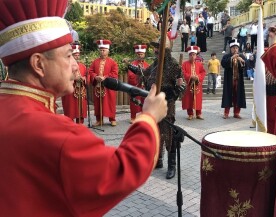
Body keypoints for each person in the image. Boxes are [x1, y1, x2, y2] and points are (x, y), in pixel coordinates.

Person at [0, 0, 167, 215]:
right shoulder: (55, 132)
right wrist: (149, 117)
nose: (74, 65)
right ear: (39, 64)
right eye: (68, 55)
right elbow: (123, 169)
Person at [143, 37, 184, 179]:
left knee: (168, 132)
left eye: (158, 48)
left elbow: (180, 86)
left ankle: (171, 165)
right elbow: (146, 74)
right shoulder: (155, 64)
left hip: (167, 102)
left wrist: (178, 87)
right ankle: (158, 159)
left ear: (165, 50)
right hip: (155, 101)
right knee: (156, 130)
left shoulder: (173, 65)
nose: (155, 50)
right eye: (155, 47)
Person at [89, 39, 119, 127]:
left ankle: (112, 119)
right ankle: (99, 119)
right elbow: (90, 71)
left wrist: (105, 77)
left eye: (104, 50)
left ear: (108, 51)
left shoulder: (112, 62)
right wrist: (95, 76)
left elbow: (115, 73)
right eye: (101, 50)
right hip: (98, 86)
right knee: (98, 103)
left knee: (110, 102)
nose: (102, 52)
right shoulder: (95, 61)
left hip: (108, 86)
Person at [61, 44, 88, 124]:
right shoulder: (65, 66)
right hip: (70, 91)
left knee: (80, 108)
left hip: (81, 90)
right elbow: (63, 77)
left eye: (78, 54)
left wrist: (84, 79)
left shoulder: (83, 66)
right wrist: (74, 78)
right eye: (75, 55)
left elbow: (87, 75)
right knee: (70, 108)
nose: (77, 56)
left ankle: (80, 123)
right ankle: (70, 124)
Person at [221, 39, 247, 119]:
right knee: (228, 95)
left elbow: (246, 65)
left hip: (238, 80)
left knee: (237, 96)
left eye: (236, 48)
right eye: (233, 48)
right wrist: (232, 58)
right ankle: (226, 113)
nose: (235, 49)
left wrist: (242, 61)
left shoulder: (241, 56)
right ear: (230, 48)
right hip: (229, 80)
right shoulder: (226, 56)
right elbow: (223, 64)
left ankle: (236, 112)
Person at [126, 44, 150, 123]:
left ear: (144, 54)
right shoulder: (132, 64)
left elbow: (149, 75)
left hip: (144, 87)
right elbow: (130, 76)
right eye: (138, 54)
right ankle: (133, 117)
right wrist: (139, 78)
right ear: (136, 54)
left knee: (145, 102)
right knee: (134, 102)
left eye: (141, 54)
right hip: (136, 86)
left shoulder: (147, 65)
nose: (140, 56)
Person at [182, 46, 207, 120]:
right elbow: (183, 73)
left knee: (198, 99)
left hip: (197, 85)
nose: (192, 56)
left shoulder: (199, 64)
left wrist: (198, 77)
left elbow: (203, 72)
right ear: (189, 55)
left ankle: (198, 113)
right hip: (189, 84)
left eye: (194, 54)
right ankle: (190, 114)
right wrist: (190, 76)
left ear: (196, 55)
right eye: (191, 55)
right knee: (189, 99)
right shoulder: (184, 64)